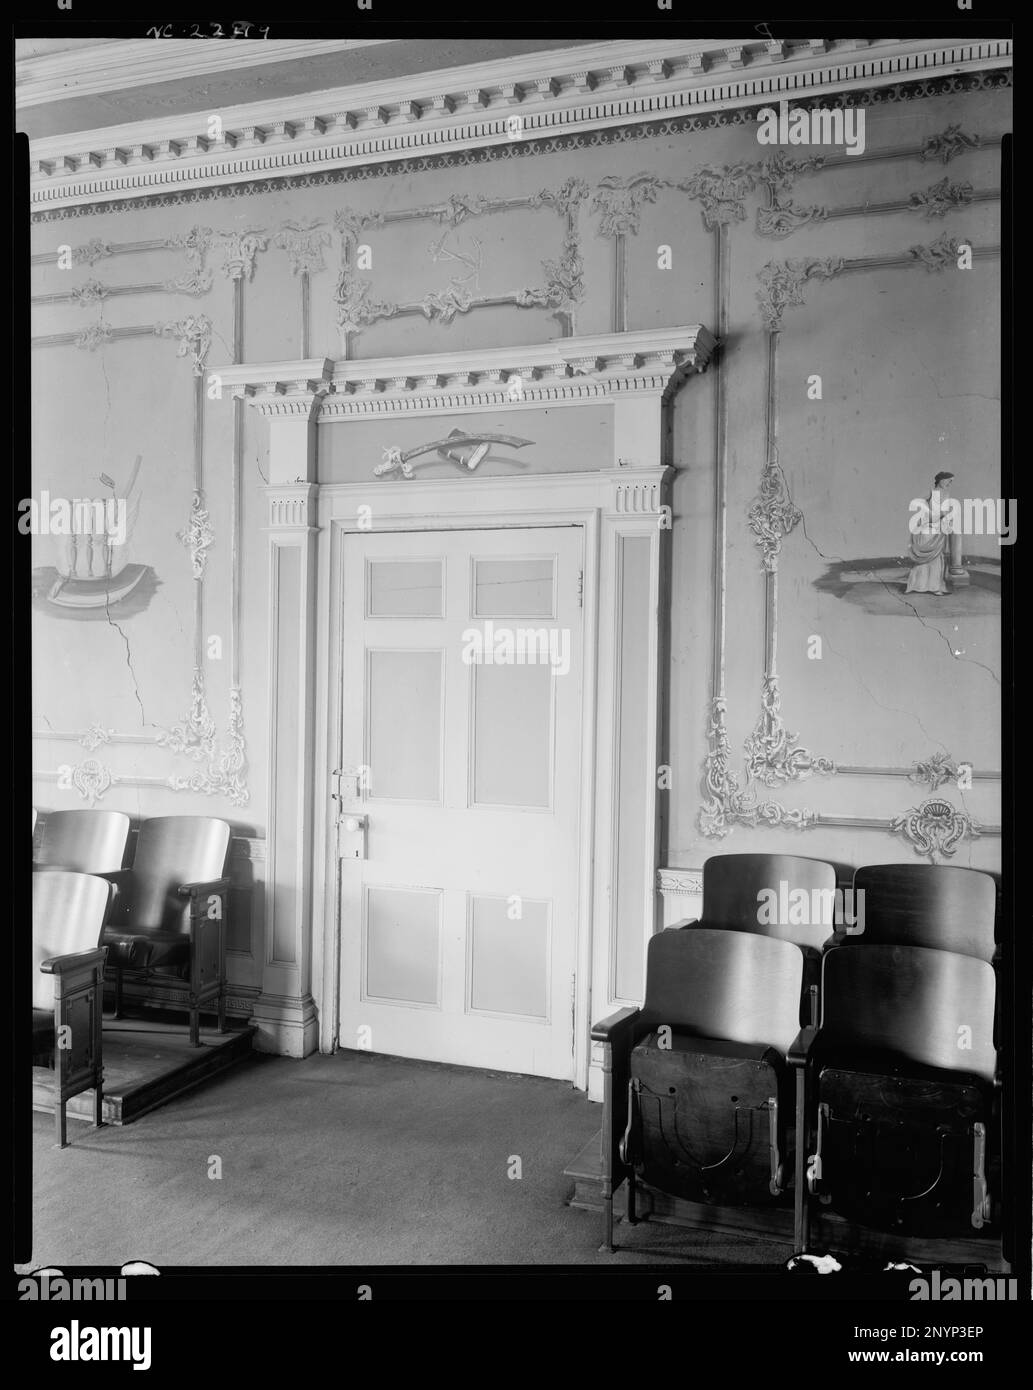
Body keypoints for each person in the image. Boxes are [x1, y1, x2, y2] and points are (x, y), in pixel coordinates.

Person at [905, 471, 955, 595]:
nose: (950, 483)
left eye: (951, 481)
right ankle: (917, 586)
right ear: (941, 480)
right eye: (948, 480)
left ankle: (935, 587)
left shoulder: (946, 494)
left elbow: (944, 512)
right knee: (924, 558)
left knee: (936, 558)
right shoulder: (931, 492)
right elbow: (918, 502)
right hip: (927, 527)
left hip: (938, 528)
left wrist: (945, 517)